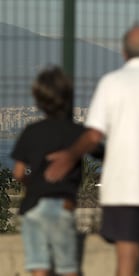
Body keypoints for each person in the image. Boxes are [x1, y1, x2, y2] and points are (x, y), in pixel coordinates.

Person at [44, 23, 139, 276]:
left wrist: (70, 156)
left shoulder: (111, 83)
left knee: (127, 258)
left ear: (124, 52)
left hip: (123, 188)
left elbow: (94, 134)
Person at [10, 66, 84, 276]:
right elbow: (101, 151)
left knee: (38, 267)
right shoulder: (76, 132)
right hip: (63, 205)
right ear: (68, 97)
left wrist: (32, 184)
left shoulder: (31, 132)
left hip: (32, 206)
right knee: (67, 268)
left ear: (38, 99)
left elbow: (18, 172)